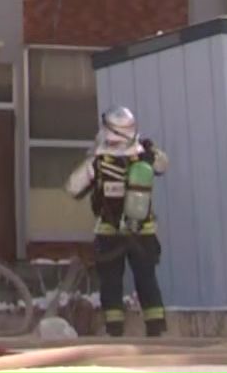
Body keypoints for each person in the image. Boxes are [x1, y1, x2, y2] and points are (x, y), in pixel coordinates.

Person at [66, 106, 169, 338]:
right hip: (143, 231)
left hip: (109, 232)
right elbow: (163, 165)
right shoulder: (143, 155)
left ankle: (114, 331)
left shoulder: (99, 160)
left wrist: (91, 159)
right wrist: (151, 151)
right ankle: (156, 328)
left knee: (111, 282)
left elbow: (73, 188)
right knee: (147, 279)